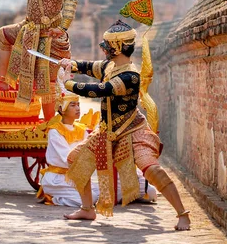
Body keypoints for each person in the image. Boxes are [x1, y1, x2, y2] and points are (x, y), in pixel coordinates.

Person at [58, 20, 191, 231]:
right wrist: (70, 64)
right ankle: (87, 208)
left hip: (132, 130)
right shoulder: (109, 66)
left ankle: (183, 214)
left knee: (152, 169)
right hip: (108, 131)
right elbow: (88, 67)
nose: (104, 48)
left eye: (107, 45)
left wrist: (68, 84)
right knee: (75, 159)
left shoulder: (130, 76)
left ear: (118, 47)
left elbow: (102, 89)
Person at [38, 69, 156, 207]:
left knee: (145, 191)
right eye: (72, 105)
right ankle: (55, 198)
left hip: (79, 177)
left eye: (78, 104)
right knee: (93, 197)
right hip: (59, 179)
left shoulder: (81, 129)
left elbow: (93, 148)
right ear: (61, 109)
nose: (77, 108)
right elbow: (69, 159)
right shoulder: (55, 132)